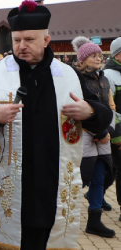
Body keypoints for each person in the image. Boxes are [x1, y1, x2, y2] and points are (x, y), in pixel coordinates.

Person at [0, 1, 112, 249]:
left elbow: (105, 116)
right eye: (17, 39)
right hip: (10, 196)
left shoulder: (68, 75)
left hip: (54, 194)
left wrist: (90, 111)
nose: (21, 46)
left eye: (29, 39)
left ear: (46, 40)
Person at [71, 36, 116, 238]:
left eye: (100, 55)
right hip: (84, 134)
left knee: (100, 177)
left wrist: (108, 130)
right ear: (82, 58)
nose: (98, 58)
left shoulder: (104, 79)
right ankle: (62, 215)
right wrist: (98, 130)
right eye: (93, 55)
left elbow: (110, 107)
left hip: (104, 134)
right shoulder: (76, 80)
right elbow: (76, 109)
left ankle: (94, 220)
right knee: (79, 177)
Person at [104, 36, 121, 222]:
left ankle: (96, 193)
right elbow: (110, 108)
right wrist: (116, 134)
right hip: (118, 131)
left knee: (114, 170)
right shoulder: (109, 75)